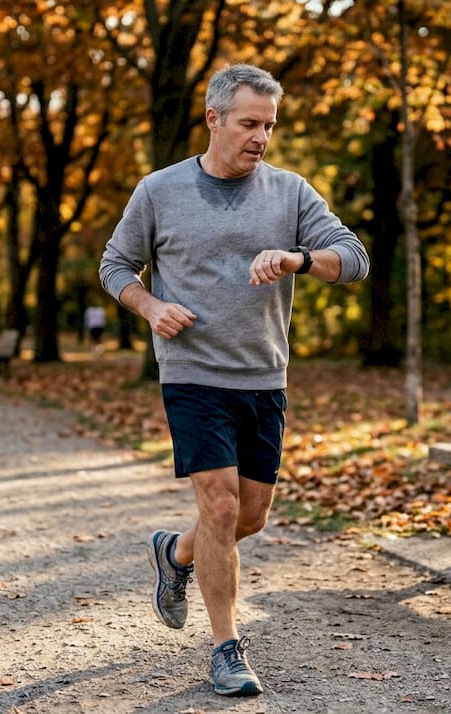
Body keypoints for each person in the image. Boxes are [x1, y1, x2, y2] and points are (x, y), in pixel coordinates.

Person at [98, 63, 369, 697]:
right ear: (214, 119)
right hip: (192, 373)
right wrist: (152, 307)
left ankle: (175, 554)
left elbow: (352, 258)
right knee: (218, 504)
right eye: (249, 123)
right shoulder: (160, 191)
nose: (260, 137)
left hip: (263, 375)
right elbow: (115, 265)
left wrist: (300, 257)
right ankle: (227, 649)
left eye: (269, 125)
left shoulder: (290, 191)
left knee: (248, 517)